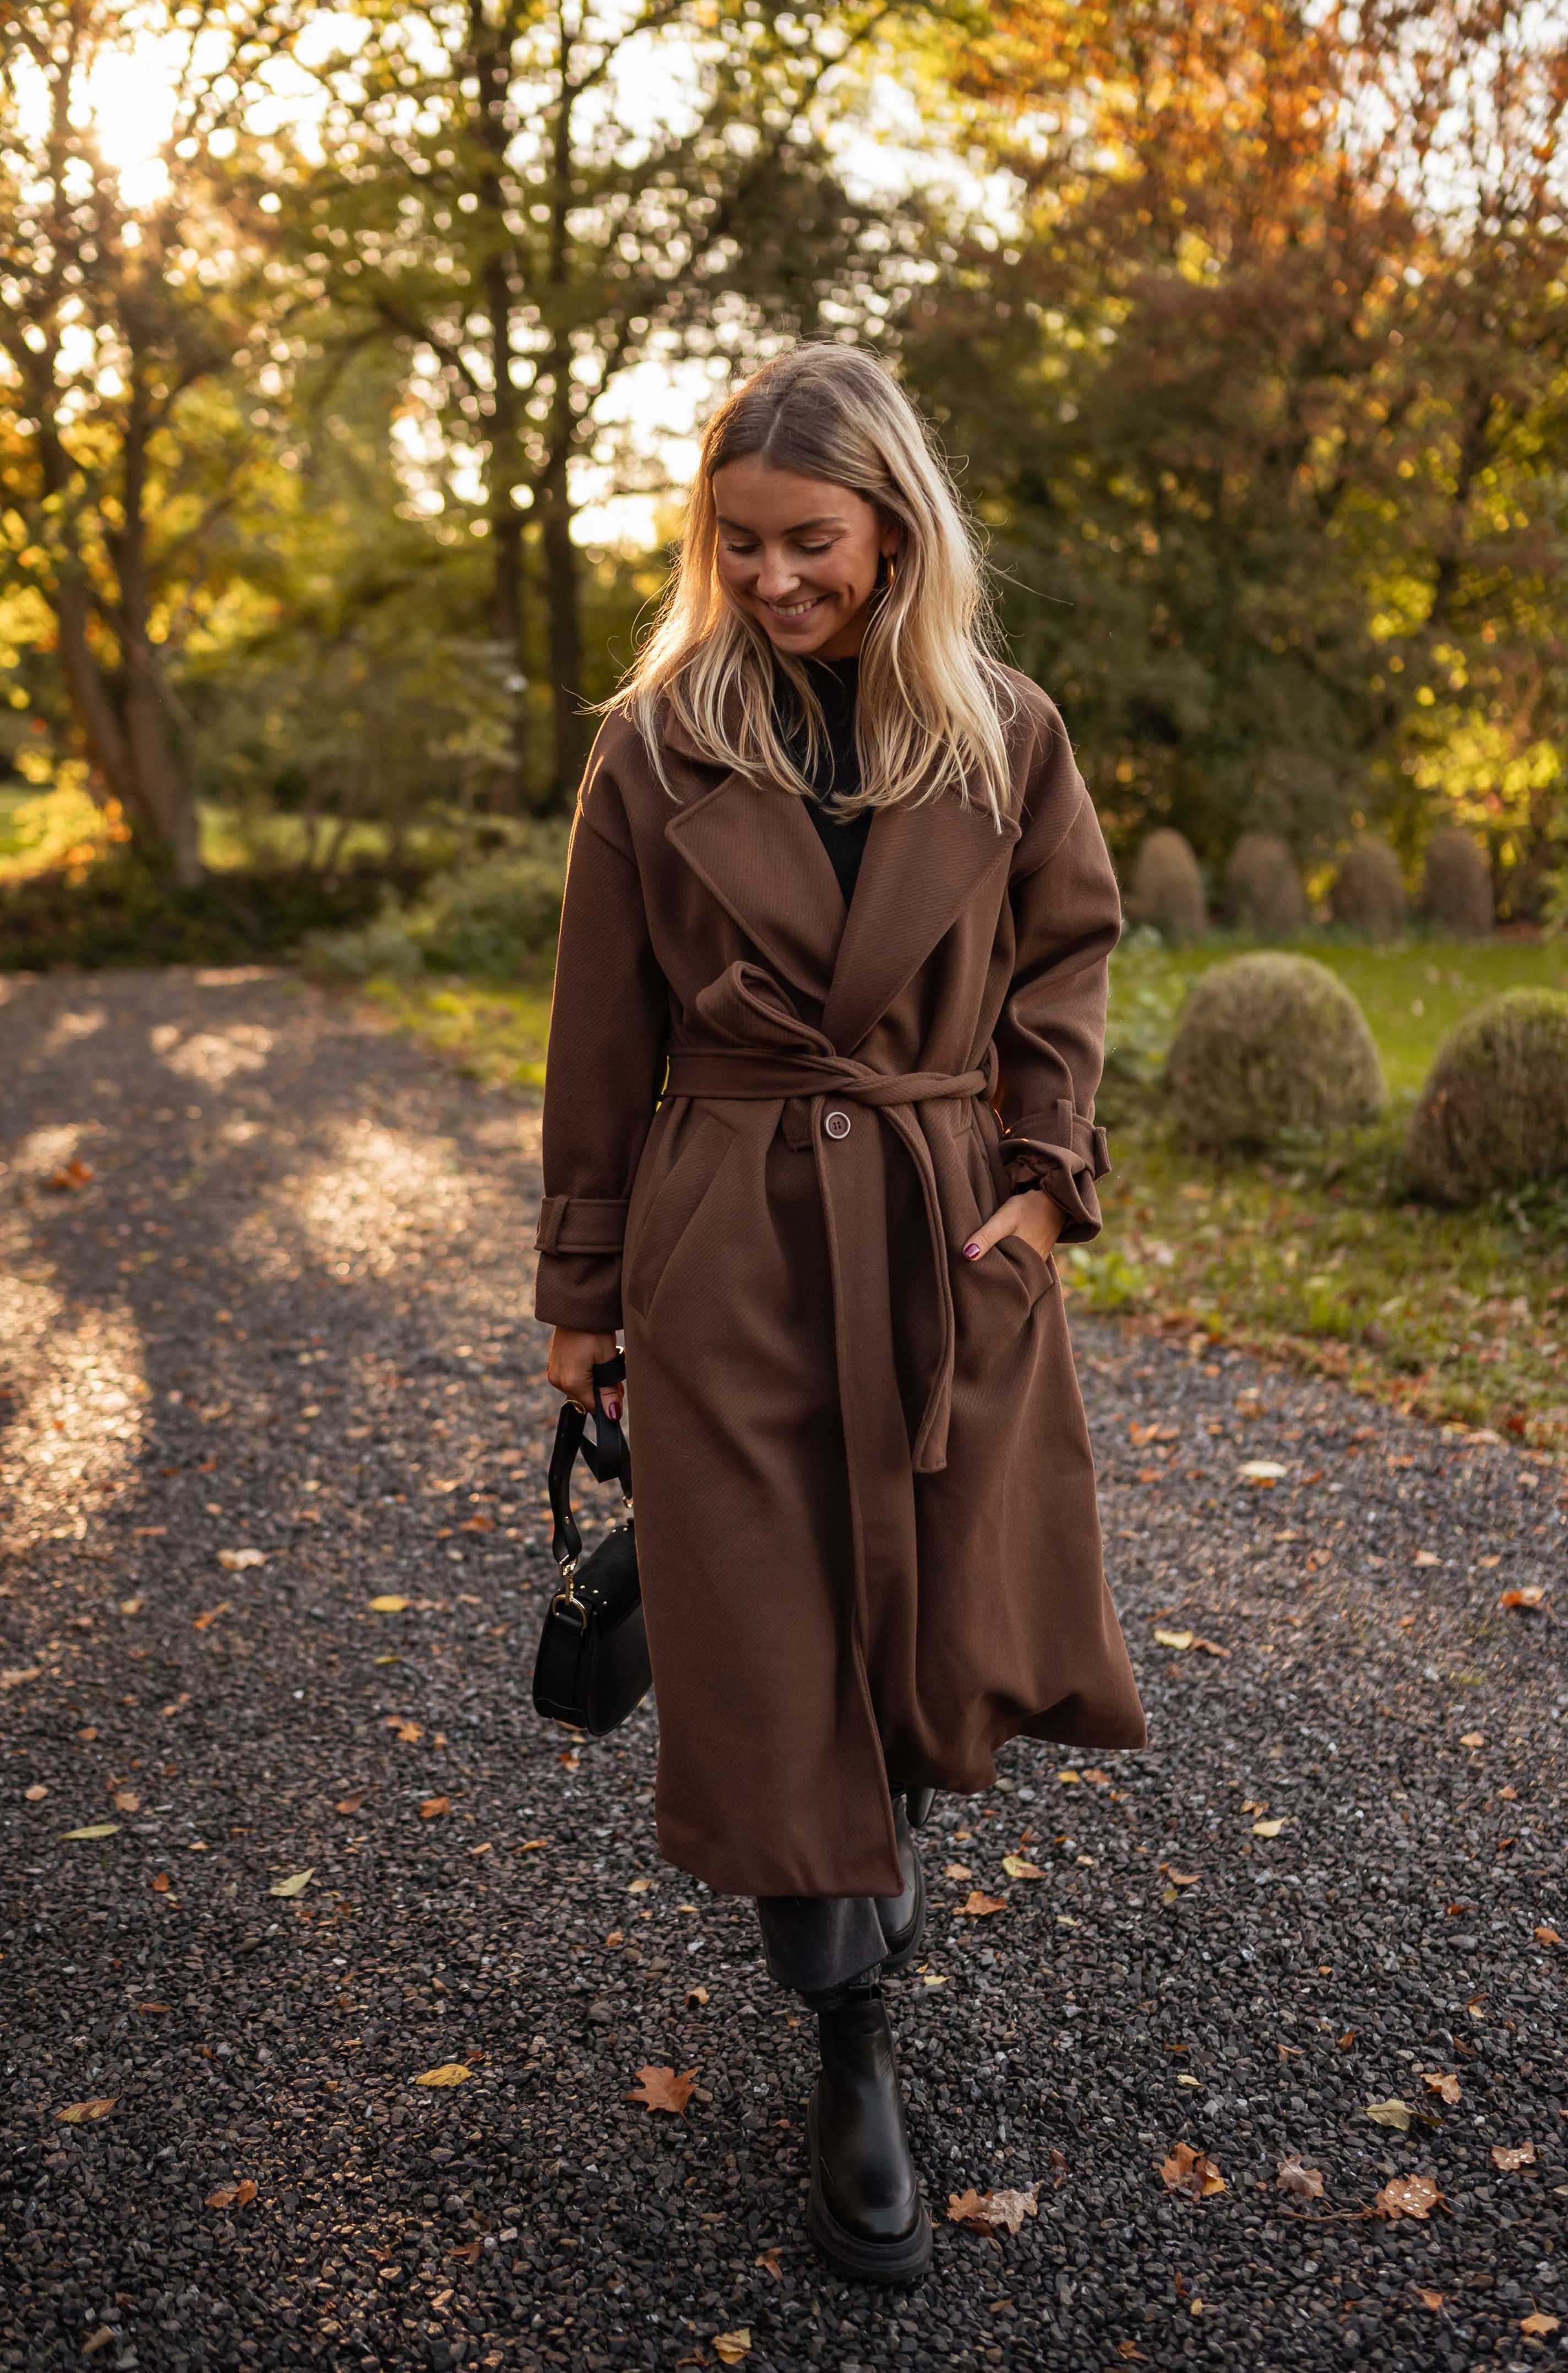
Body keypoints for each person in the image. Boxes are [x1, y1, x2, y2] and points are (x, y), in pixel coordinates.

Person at [534, 342, 1146, 2284]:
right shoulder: (656, 746)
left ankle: (871, 1900)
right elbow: (599, 1030)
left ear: (894, 529)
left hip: (945, 1232)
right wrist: (578, 1294)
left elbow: (1067, 955)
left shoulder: (1005, 732)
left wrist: (1042, 1182)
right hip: (728, 1245)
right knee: (769, 1640)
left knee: (920, 1627)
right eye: (739, 543)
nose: (773, 577)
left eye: (809, 539)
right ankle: (850, 2036)